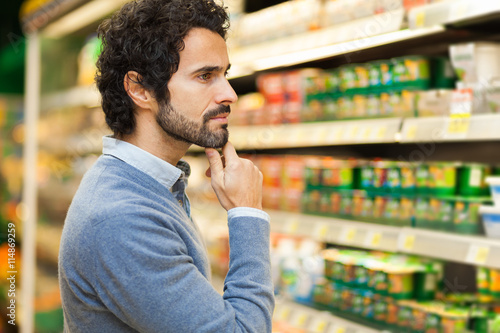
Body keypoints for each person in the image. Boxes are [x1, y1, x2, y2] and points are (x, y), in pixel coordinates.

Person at [58, 0, 275, 332]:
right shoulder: (122, 218)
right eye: (205, 76)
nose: (229, 93)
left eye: (225, 74)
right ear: (139, 88)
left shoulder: (149, 185)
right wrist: (248, 214)